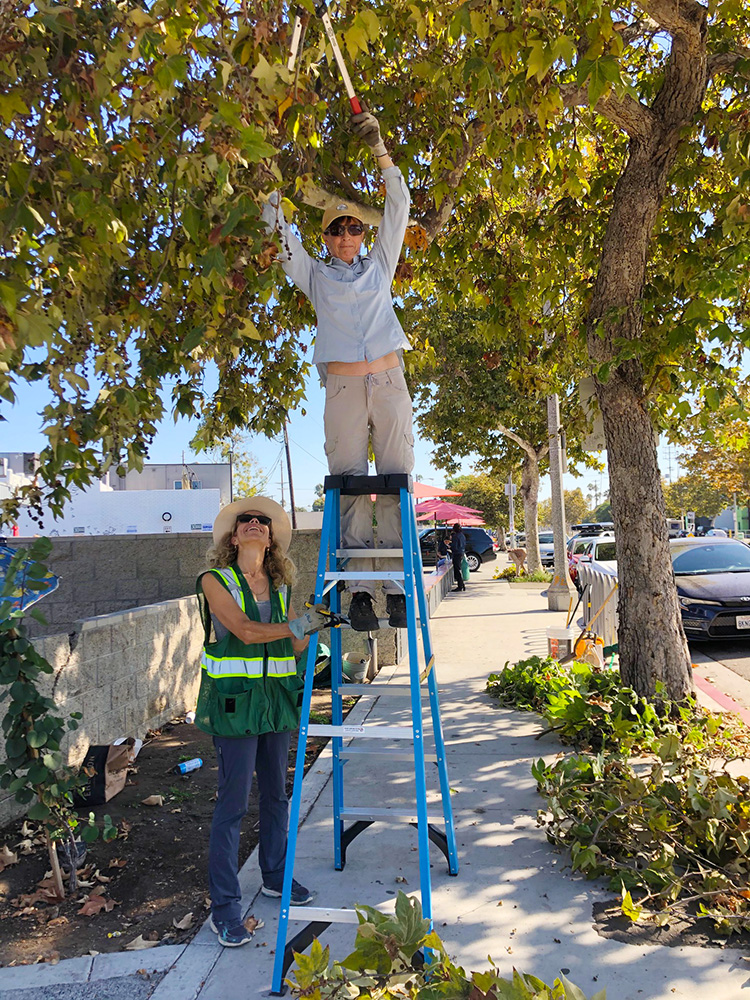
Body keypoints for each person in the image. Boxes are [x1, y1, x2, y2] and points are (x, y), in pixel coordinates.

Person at [262, 107, 412, 633]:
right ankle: (359, 593)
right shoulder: (315, 276)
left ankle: (394, 589)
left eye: (353, 228)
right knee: (349, 486)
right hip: (344, 385)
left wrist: (380, 151)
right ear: (325, 238)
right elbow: (282, 241)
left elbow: (400, 207)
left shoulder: (379, 267)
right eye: (337, 230)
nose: (347, 236)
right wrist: (268, 183)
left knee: (395, 483)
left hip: (390, 381)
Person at [195, 497, 330, 947]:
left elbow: (291, 649)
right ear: (233, 537)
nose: (254, 524)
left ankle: (274, 875)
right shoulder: (215, 580)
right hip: (236, 707)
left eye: (262, 522)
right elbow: (244, 631)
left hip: (275, 705)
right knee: (231, 806)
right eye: (245, 521)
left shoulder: (280, 586)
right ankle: (225, 908)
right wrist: (301, 625)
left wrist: (311, 631)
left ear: (270, 539)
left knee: (276, 796)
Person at [449, 523, 467, 592]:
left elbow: (455, 546)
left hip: (457, 553)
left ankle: (460, 586)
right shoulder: (462, 535)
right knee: (459, 569)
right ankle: (462, 584)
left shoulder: (456, 536)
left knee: (457, 570)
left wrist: (450, 547)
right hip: (461, 552)